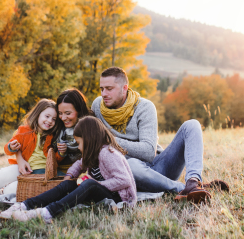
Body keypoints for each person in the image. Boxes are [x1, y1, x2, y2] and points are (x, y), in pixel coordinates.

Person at [92, 67, 229, 203]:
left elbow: (148, 153)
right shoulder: (98, 106)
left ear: (124, 88)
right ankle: (185, 189)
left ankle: (193, 182)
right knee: (131, 165)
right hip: (127, 173)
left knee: (192, 125)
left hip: (159, 167)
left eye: (109, 89)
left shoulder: (144, 107)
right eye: (101, 89)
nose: (104, 93)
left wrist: (110, 141)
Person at [0, 116, 136, 222]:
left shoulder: (108, 153)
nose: (79, 147)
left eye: (80, 143)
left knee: (89, 184)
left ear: (90, 140)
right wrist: (69, 176)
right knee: (69, 183)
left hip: (117, 198)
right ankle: (24, 205)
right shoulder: (93, 152)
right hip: (101, 191)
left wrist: (97, 184)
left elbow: (124, 180)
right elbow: (80, 164)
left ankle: (47, 213)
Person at [0, 99, 58, 195]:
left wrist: (61, 152)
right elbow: (7, 149)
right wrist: (11, 146)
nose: (49, 121)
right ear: (38, 114)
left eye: (54, 119)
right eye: (47, 116)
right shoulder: (24, 130)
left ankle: (3, 191)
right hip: (22, 168)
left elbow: (57, 158)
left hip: (41, 174)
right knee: (1, 175)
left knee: (9, 191)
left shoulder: (53, 136)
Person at [49, 88, 93, 175]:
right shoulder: (54, 125)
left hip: (83, 173)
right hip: (57, 172)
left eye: (68, 113)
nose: (63, 118)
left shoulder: (91, 127)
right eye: (60, 113)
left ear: (79, 110)